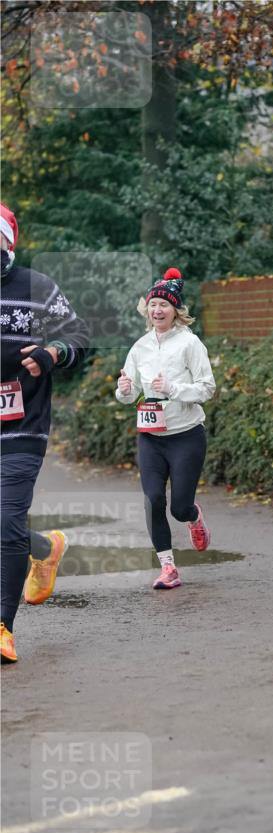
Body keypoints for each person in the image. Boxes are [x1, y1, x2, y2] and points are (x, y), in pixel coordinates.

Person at [0, 201, 89, 664]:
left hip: (21, 428)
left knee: (5, 521)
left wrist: (53, 353)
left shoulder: (36, 288)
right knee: (5, 527)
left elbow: (80, 337)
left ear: (7, 241)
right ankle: (46, 547)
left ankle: (3, 628)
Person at [115, 267, 216, 589]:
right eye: (153, 305)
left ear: (176, 311)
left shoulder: (190, 343)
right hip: (151, 436)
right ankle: (168, 567)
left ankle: (193, 517)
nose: (158, 310)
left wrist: (174, 389)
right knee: (153, 499)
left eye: (164, 305)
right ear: (147, 310)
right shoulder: (140, 346)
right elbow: (127, 396)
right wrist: (125, 388)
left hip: (186, 434)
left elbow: (207, 388)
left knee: (179, 506)